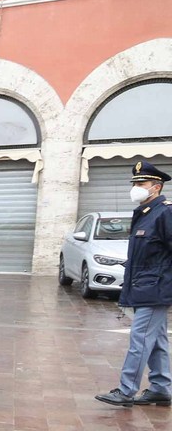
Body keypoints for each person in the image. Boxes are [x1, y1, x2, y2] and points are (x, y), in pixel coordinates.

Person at [95, 161, 172, 408]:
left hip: (155, 289)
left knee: (140, 339)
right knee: (157, 339)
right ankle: (161, 388)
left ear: (156, 187)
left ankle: (126, 390)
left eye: (141, 184)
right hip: (144, 286)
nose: (136, 188)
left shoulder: (165, 213)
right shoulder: (145, 213)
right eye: (135, 183)